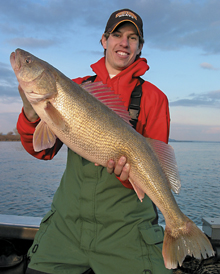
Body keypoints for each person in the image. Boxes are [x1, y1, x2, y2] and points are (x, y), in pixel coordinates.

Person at [17, 8, 172, 274]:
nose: (124, 42)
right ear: (104, 40)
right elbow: (42, 150)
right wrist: (31, 115)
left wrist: (127, 175)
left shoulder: (154, 98)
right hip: (66, 228)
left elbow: (155, 165)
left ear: (140, 46)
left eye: (132, 37)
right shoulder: (74, 86)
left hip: (127, 232)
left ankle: (180, 228)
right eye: (117, 34)